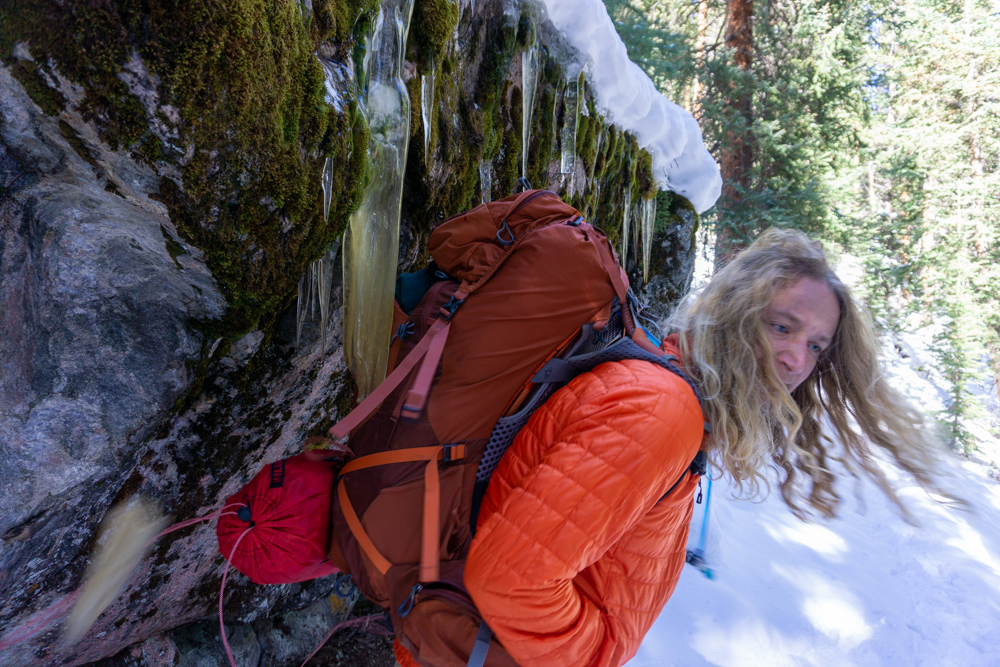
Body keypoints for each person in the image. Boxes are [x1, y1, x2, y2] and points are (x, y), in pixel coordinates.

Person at [392, 227, 946, 667]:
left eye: (816, 345)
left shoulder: (677, 401)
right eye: (781, 327)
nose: (797, 359)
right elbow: (511, 579)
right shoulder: (661, 412)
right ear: (733, 315)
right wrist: (593, 657)